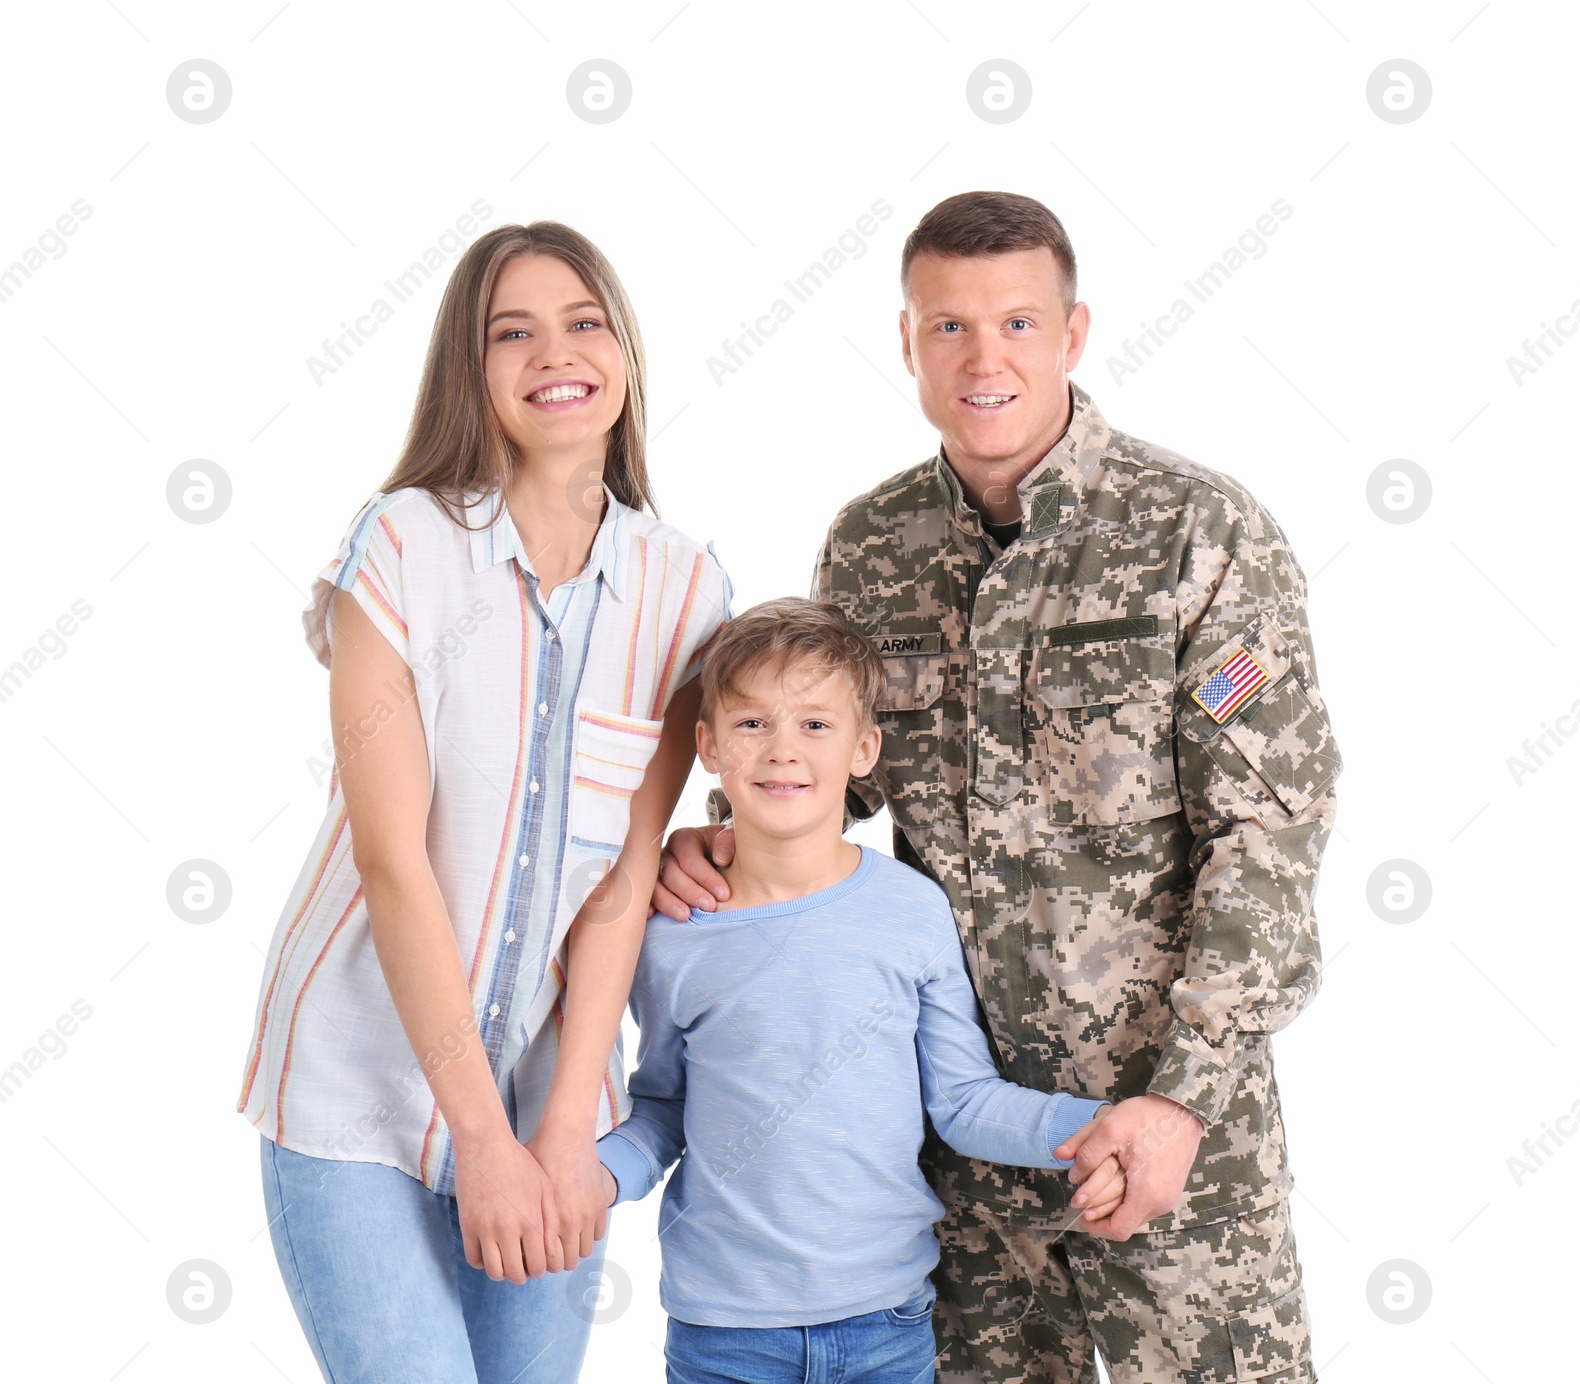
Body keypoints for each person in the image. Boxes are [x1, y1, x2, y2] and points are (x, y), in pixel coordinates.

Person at [656, 191, 1341, 1383]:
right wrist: (713, 843)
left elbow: (1268, 832)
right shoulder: (870, 548)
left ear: (1073, 334)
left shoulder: (1198, 533)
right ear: (909, 341)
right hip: (962, 1187)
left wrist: (1180, 1097)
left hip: (1173, 1144)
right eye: (948, 328)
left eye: (1018, 324)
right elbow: (829, 778)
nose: (985, 359)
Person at [236, 220, 732, 1384]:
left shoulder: (683, 585)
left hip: (551, 1091)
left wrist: (561, 1129)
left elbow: (622, 882)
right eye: (513, 332)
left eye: (581, 322)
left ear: (622, 351)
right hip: (357, 1090)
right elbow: (394, 862)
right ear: (475, 368)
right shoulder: (401, 546)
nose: (552, 353)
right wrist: (479, 1136)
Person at [595, 598, 1127, 1384]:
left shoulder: (912, 910)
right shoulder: (673, 932)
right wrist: (592, 1178)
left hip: (886, 1326)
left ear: (864, 749)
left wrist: (1098, 1126)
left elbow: (965, 1102)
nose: (782, 750)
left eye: (816, 725)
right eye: (752, 725)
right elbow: (667, 1106)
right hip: (723, 1335)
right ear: (707, 746)